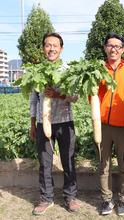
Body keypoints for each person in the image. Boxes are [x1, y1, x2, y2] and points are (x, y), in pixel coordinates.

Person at [30, 32, 80, 215]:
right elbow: (33, 100)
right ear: (44, 48)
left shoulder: (68, 70)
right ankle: (46, 199)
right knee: (44, 163)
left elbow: (75, 97)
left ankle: (70, 197)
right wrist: (32, 123)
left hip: (65, 122)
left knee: (68, 160)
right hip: (44, 123)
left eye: (55, 45)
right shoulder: (36, 71)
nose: (51, 49)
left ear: (61, 49)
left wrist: (58, 94)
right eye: (48, 45)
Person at [97, 32, 124, 216]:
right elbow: (91, 97)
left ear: (122, 50)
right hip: (103, 126)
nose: (113, 49)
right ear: (105, 48)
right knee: (103, 165)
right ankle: (107, 200)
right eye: (110, 45)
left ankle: (123, 199)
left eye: (117, 46)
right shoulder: (98, 72)